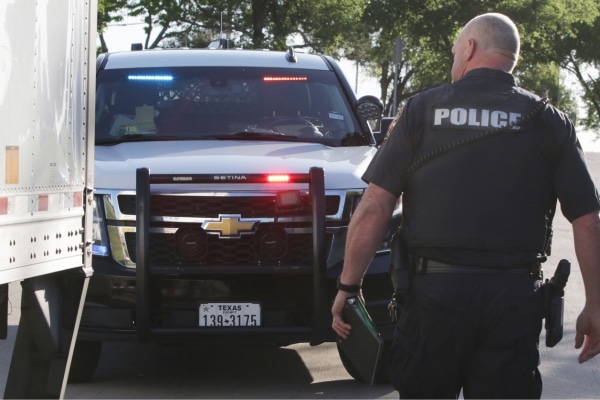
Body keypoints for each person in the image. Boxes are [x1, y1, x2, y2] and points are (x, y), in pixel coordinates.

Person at [331, 12, 600, 399]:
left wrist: (348, 285)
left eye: (455, 51)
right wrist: (595, 304)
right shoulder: (548, 119)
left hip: (433, 299)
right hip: (512, 298)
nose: (454, 59)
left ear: (470, 48)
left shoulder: (421, 111)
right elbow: (589, 221)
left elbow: (375, 206)